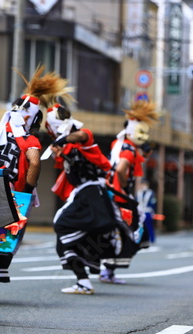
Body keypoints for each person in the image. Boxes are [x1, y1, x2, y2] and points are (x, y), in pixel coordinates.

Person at [0, 66, 70, 301]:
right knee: (0, 247)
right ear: (33, 120)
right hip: (8, 201)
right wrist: (28, 191)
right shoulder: (28, 139)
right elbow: (34, 162)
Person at [44, 104, 117, 295]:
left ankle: (90, 277)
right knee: (64, 241)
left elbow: (82, 136)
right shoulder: (65, 146)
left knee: (61, 224)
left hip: (93, 195)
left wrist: (63, 139)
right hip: (85, 194)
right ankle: (83, 282)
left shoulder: (82, 136)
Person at [100, 100, 159, 284]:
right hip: (120, 196)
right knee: (131, 234)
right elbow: (120, 169)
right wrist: (125, 188)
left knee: (120, 233)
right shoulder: (129, 150)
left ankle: (108, 270)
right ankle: (107, 269)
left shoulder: (119, 144)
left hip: (111, 193)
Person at [136, 179, 157, 243]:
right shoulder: (139, 192)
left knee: (149, 226)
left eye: (145, 184)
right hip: (140, 212)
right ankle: (140, 239)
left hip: (148, 212)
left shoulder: (151, 193)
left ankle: (152, 239)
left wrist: (153, 211)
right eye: (142, 184)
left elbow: (153, 203)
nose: (143, 186)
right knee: (140, 226)